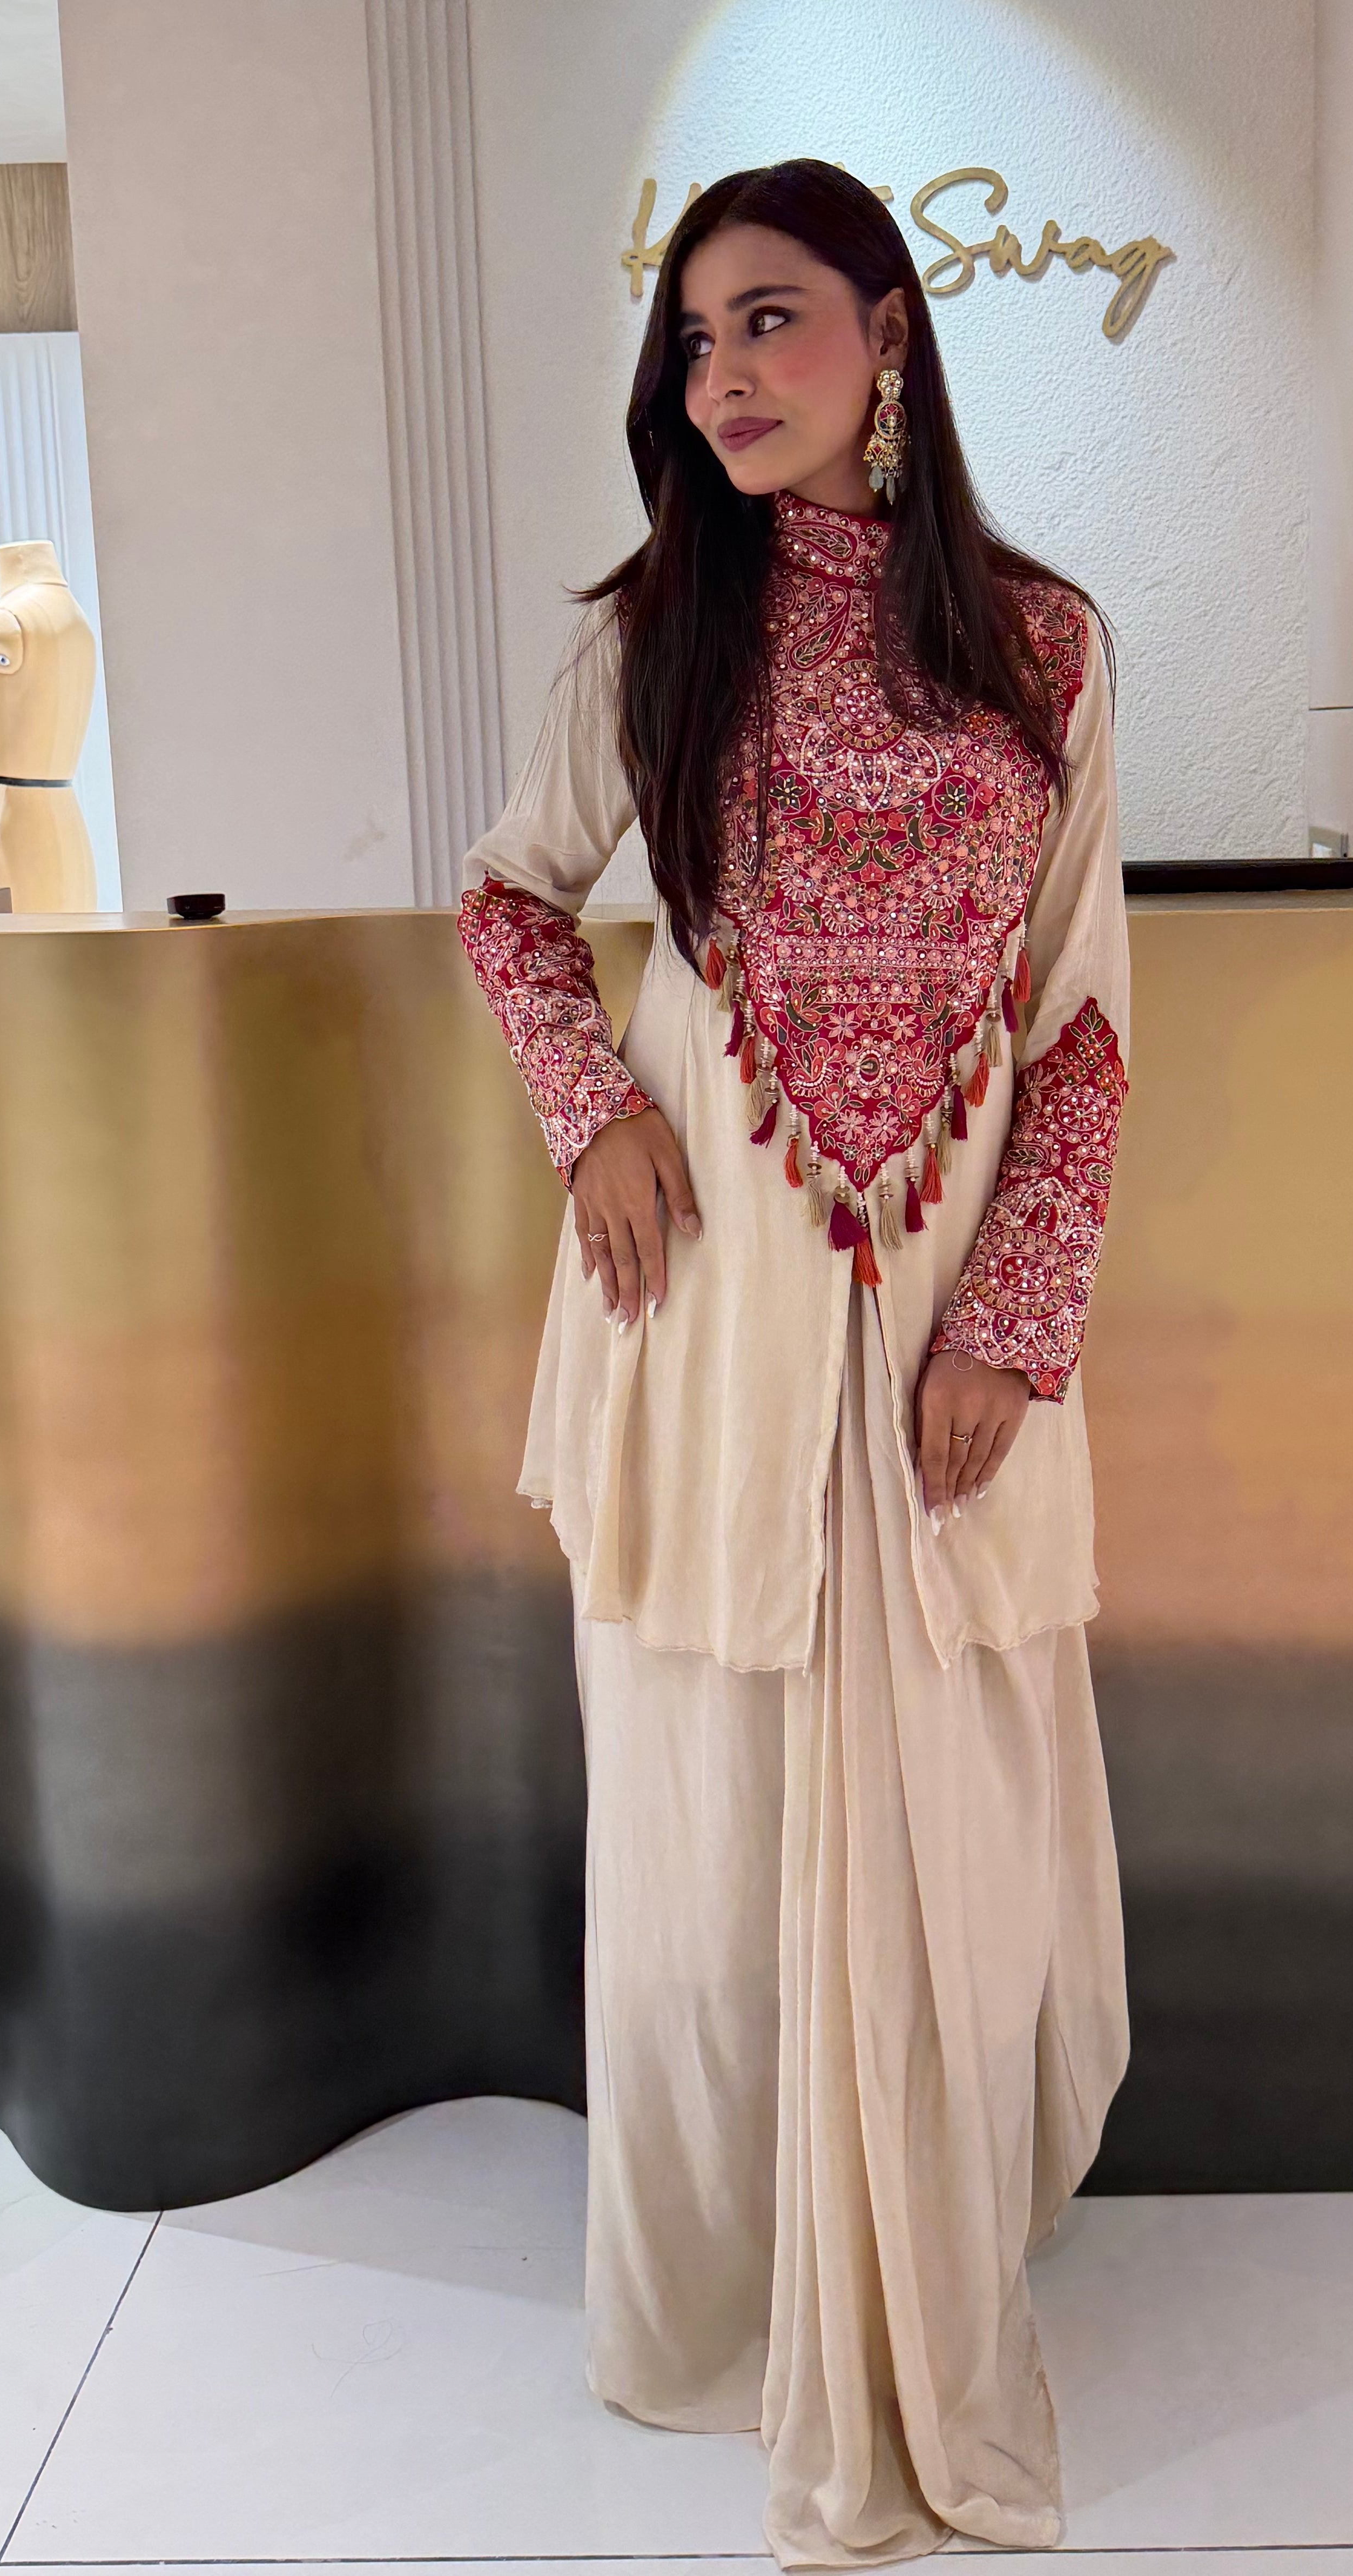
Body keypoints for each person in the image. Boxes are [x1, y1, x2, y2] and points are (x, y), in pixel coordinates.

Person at [457, 157, 1131, 2568]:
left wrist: (1018, 1320)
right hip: (712, 1311)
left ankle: (927, 2254)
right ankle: (736, 2298)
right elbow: (505, 900)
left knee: (961, 1818)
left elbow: (1083, 1029)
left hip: (944, 1313)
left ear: (887, 336)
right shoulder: (654, 638)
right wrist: (592, 1108)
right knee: (713, 1817)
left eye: (769, 322)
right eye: (694, 339)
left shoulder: (1044, 646)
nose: (724, 376)